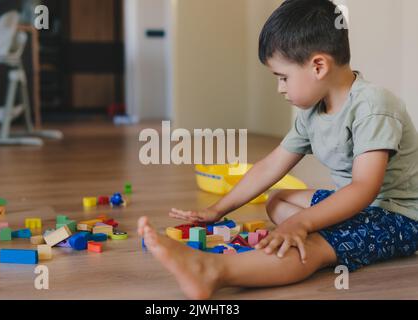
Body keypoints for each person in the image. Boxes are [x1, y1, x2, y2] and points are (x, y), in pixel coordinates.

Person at [137, 0, 418, 299]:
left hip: (399, 217)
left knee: (307, 243)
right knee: (277, 200)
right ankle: (315, 236)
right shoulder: (312, 112)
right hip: (356, 206)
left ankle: (214, 272)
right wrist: (218, 209)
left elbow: (364, 188)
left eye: (283, 77)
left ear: (319, 66)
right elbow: (271, 166)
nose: (280, 88)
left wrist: (301, 224)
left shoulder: (373, 107)